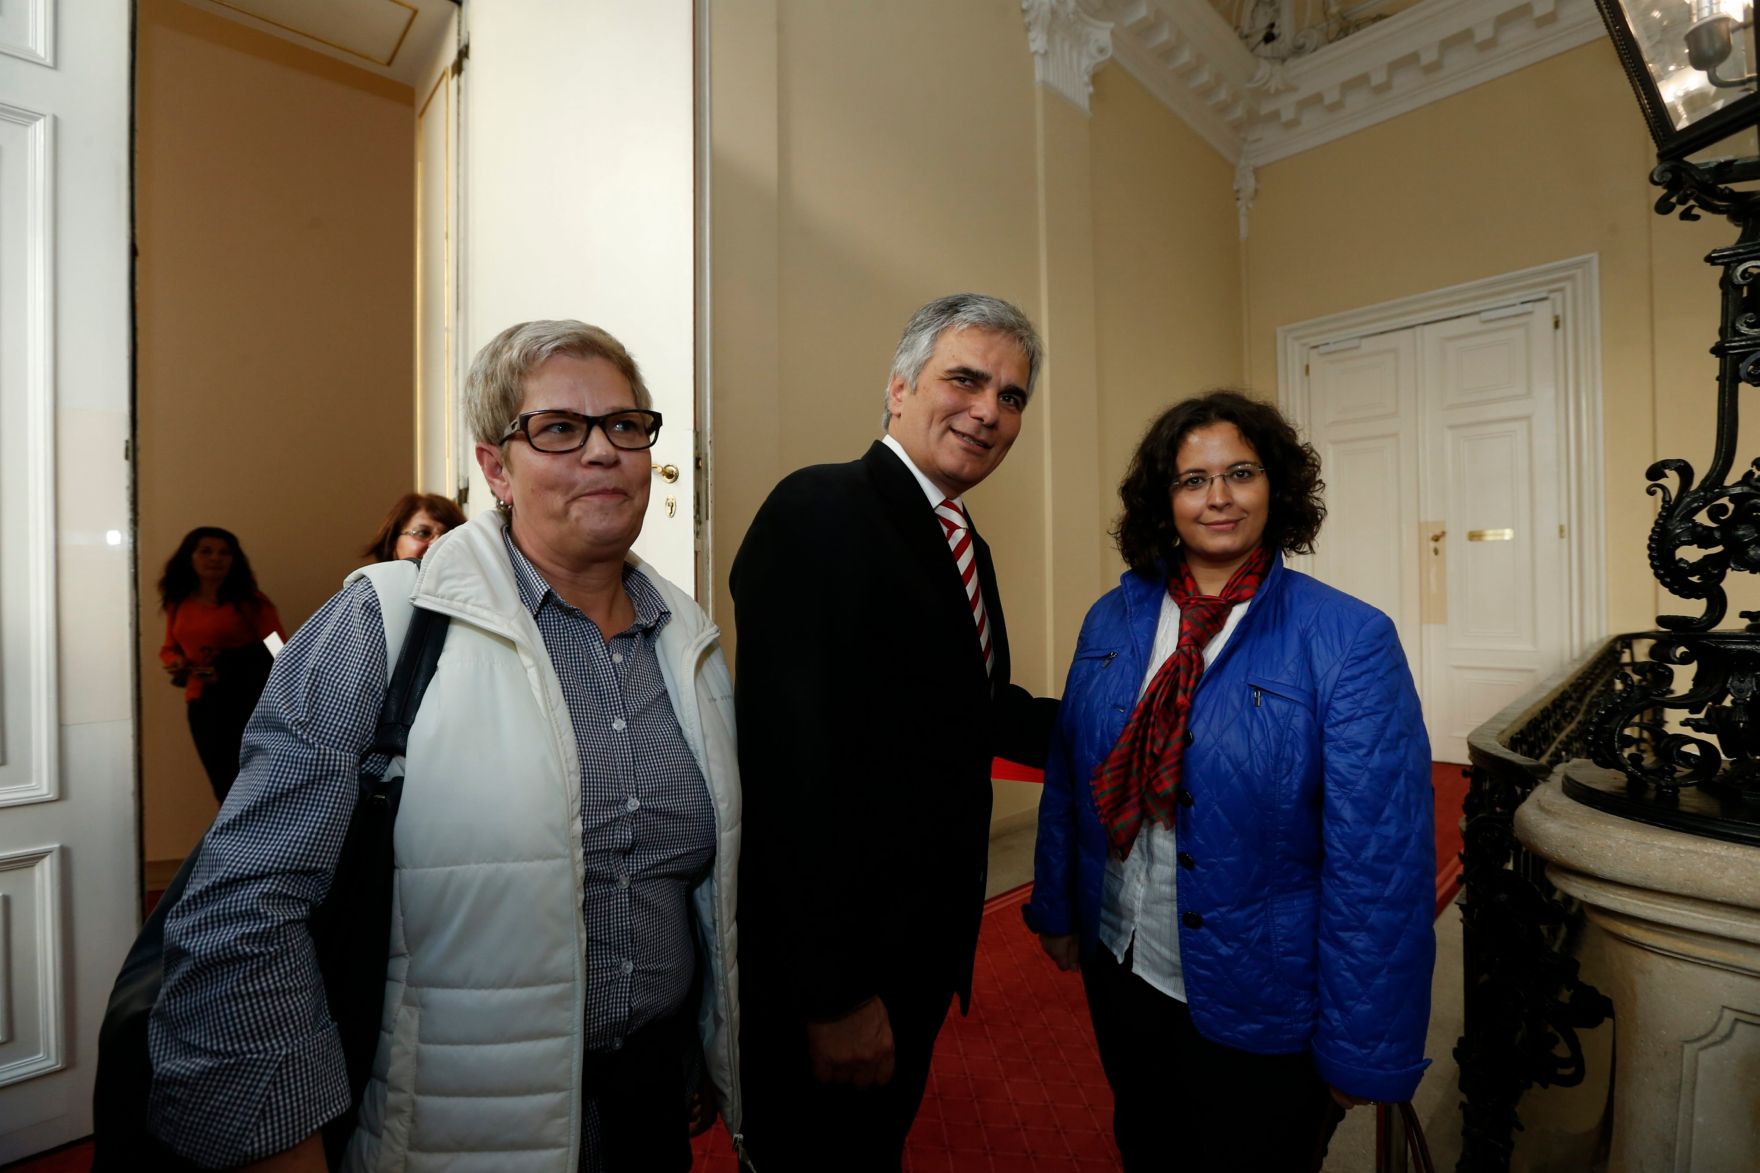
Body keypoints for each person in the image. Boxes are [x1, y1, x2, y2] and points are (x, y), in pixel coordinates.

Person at [148, 321, 741, 1173]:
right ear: (496, 467)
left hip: (645, 1107)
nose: (604, 451)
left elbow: (690, 889)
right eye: (560, 429)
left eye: (624, 425)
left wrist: (698, 1046)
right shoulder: (384, 621)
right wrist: (281, 1142)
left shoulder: (690, 644)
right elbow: (243, 898)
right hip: (456, 1126)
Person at [1024, 391, 1434, 1172]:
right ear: (1164, 499)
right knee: (1147, 1145)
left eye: (1239, 473)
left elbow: (1379, 863)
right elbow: (1071, 776)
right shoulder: (1113, 619)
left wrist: (1362, 1047)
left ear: (1274, 486)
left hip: (1261, 994)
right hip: (1125, 957)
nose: (1218, 497)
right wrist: (1056, 905)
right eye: (1192, 479)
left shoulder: (1347, 639)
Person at [731, 292, 1058, 1172]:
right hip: (837, 969)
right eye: (967, 379)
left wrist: (1135, 721)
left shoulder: (962, 540)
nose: (990, 410)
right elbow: (786, 767)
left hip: (917, 948)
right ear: (900, 387)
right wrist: (831, 994)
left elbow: (979, 710)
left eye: (1013, 395)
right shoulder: (821, 510)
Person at [157, 526, 286, 804]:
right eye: (206, 551)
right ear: (189, 557)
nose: (215, 558)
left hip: (246, 702)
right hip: (202, 703)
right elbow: (169, 648)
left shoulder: (252, 603)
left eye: (224, 553)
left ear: (234, 560)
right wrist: (176, 662)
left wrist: (231, 667)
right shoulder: (178, 603)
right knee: (222, 784)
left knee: (251, 783)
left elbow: (280, 651)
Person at [361, 492, 467, 562]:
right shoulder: (368, 592)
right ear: (392, 544)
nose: (436, 544)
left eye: (447, 535)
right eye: (423, 533)